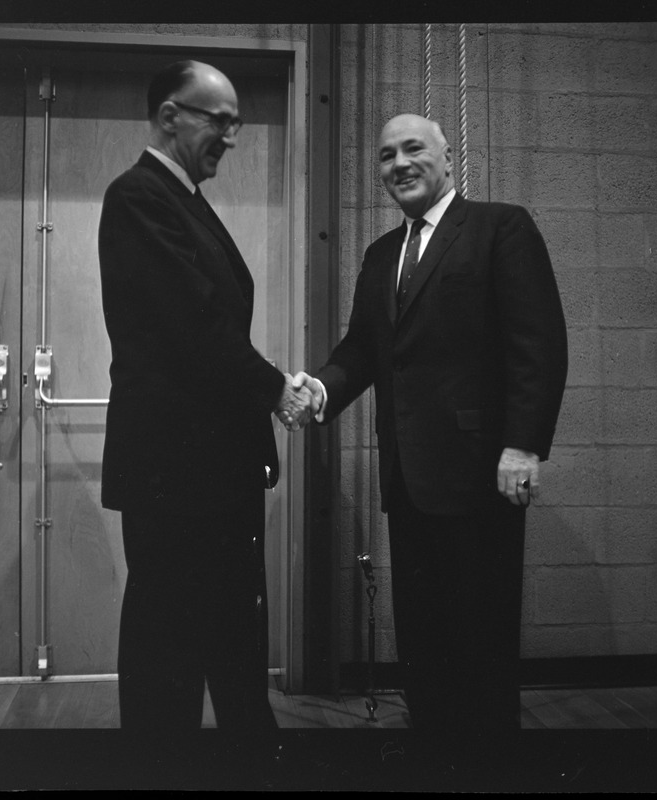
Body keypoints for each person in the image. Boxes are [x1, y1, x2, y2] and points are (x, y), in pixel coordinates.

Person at [293, 113, 568, 745]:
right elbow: (364, 349)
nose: (399, 164)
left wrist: (523, 444)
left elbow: (539, 344)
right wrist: (324, 388)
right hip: (408, 478)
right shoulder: (382, 254)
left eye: (413, 149)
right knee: (423, 634)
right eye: (386, 157)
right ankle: (435, 752)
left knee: (481, 632)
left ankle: (488, 762)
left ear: (448, 159)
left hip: (482, 475)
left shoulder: (501, 227)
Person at [97, 59, 313, 742]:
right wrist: (278, 389)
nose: (231, 136)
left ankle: (248, 749)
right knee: (170, 649)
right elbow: (194, 328)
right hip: (176, 475)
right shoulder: (138, 196)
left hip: (206, 474)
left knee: (224, 632)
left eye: (236, 124)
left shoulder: (182, 199)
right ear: (170, 115)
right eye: (220, 121)